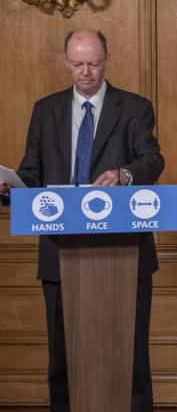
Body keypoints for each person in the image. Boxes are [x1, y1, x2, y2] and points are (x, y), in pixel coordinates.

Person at [0, 29, 164, 412]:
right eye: (78, 64)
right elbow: (32, 175)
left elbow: (152, 159)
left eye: (94, 63)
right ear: (66, 62)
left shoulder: (135, 107)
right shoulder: (46, 109)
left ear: (107, 60)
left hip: (124, 252)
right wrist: (11, 190)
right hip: (60, 252)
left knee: (131, 353)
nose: (86, 72)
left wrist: (124, 175)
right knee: (63, 357)